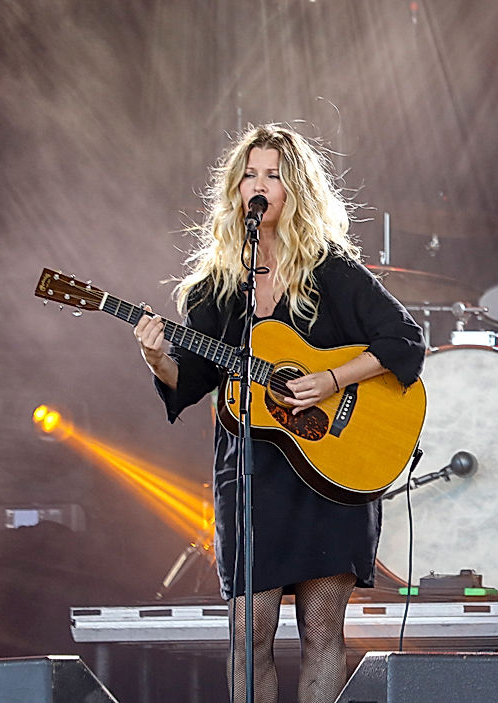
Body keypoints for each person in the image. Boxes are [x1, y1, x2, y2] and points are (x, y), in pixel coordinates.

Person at [133, 124, 425, 702]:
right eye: (249, 175)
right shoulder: (214, 291)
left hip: (331, 470)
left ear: (294, 190)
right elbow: (191, 382)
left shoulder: (333, 271)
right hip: (250, 473)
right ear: (234, 191)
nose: (259, 186)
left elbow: (405, 341)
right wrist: (156, 357)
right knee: (249, 632)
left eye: (273, 175)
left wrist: (331, 379)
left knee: (322, 633)